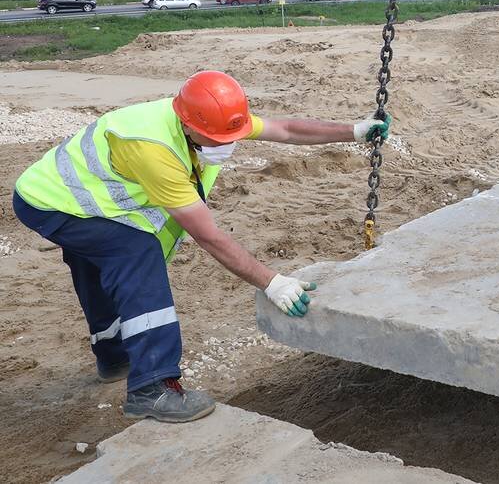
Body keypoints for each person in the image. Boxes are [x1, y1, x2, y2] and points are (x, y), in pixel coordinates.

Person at [11, 71, 391, 421]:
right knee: (135, 252)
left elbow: (288, 130)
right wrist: (271, 281)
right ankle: (152, 388)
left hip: (70, 198)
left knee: (98, 265)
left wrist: (354, 131)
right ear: (189, 126)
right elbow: (208, 236)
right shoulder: (155, 149)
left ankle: (113, 357)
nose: (227, 145)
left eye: (233, 135)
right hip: (52, 203)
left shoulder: (209, 118)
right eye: (218, 141)